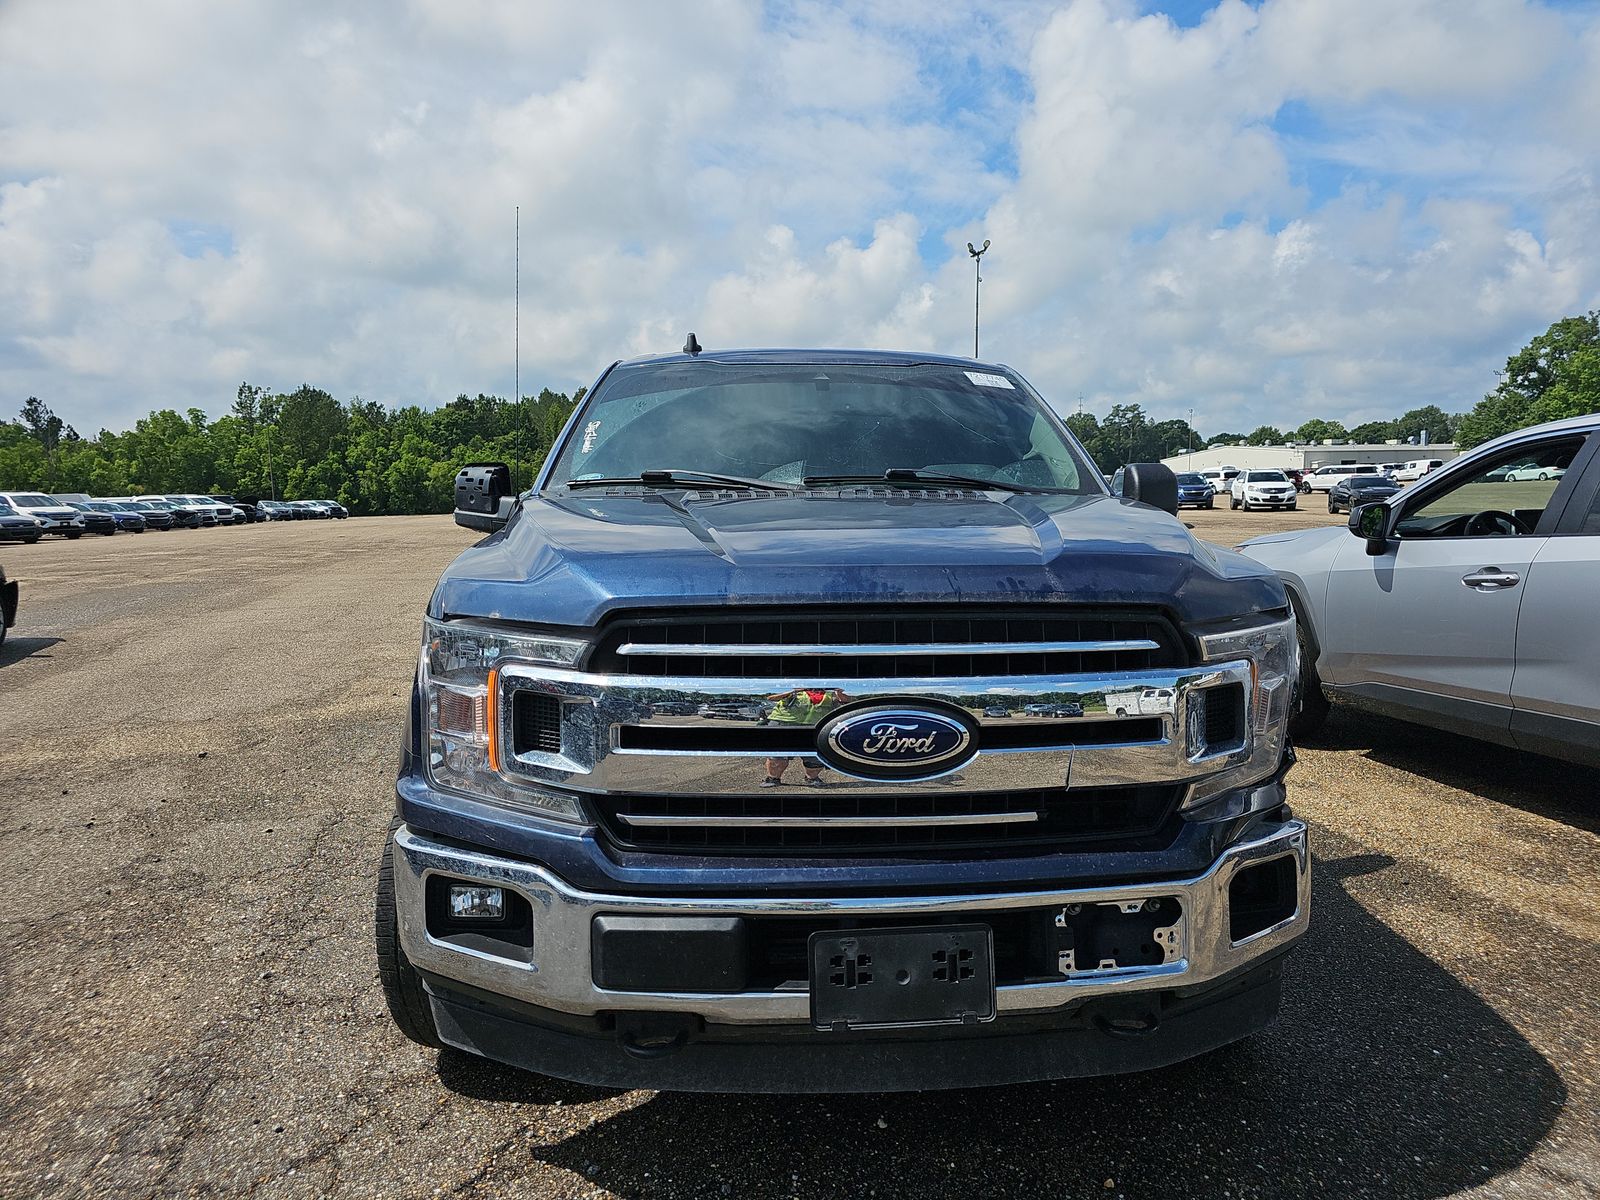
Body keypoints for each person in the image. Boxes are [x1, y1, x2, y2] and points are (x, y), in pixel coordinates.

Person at [760, 687, 846, 787]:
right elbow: (771, 698)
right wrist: (795, 690)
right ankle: (773, 779)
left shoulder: (831, 691)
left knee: (815, 757)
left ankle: (812, 778)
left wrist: (838, 692)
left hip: (815, 726)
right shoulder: (793, 686)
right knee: (777, 756)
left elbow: (847, 701)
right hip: (783, 723)